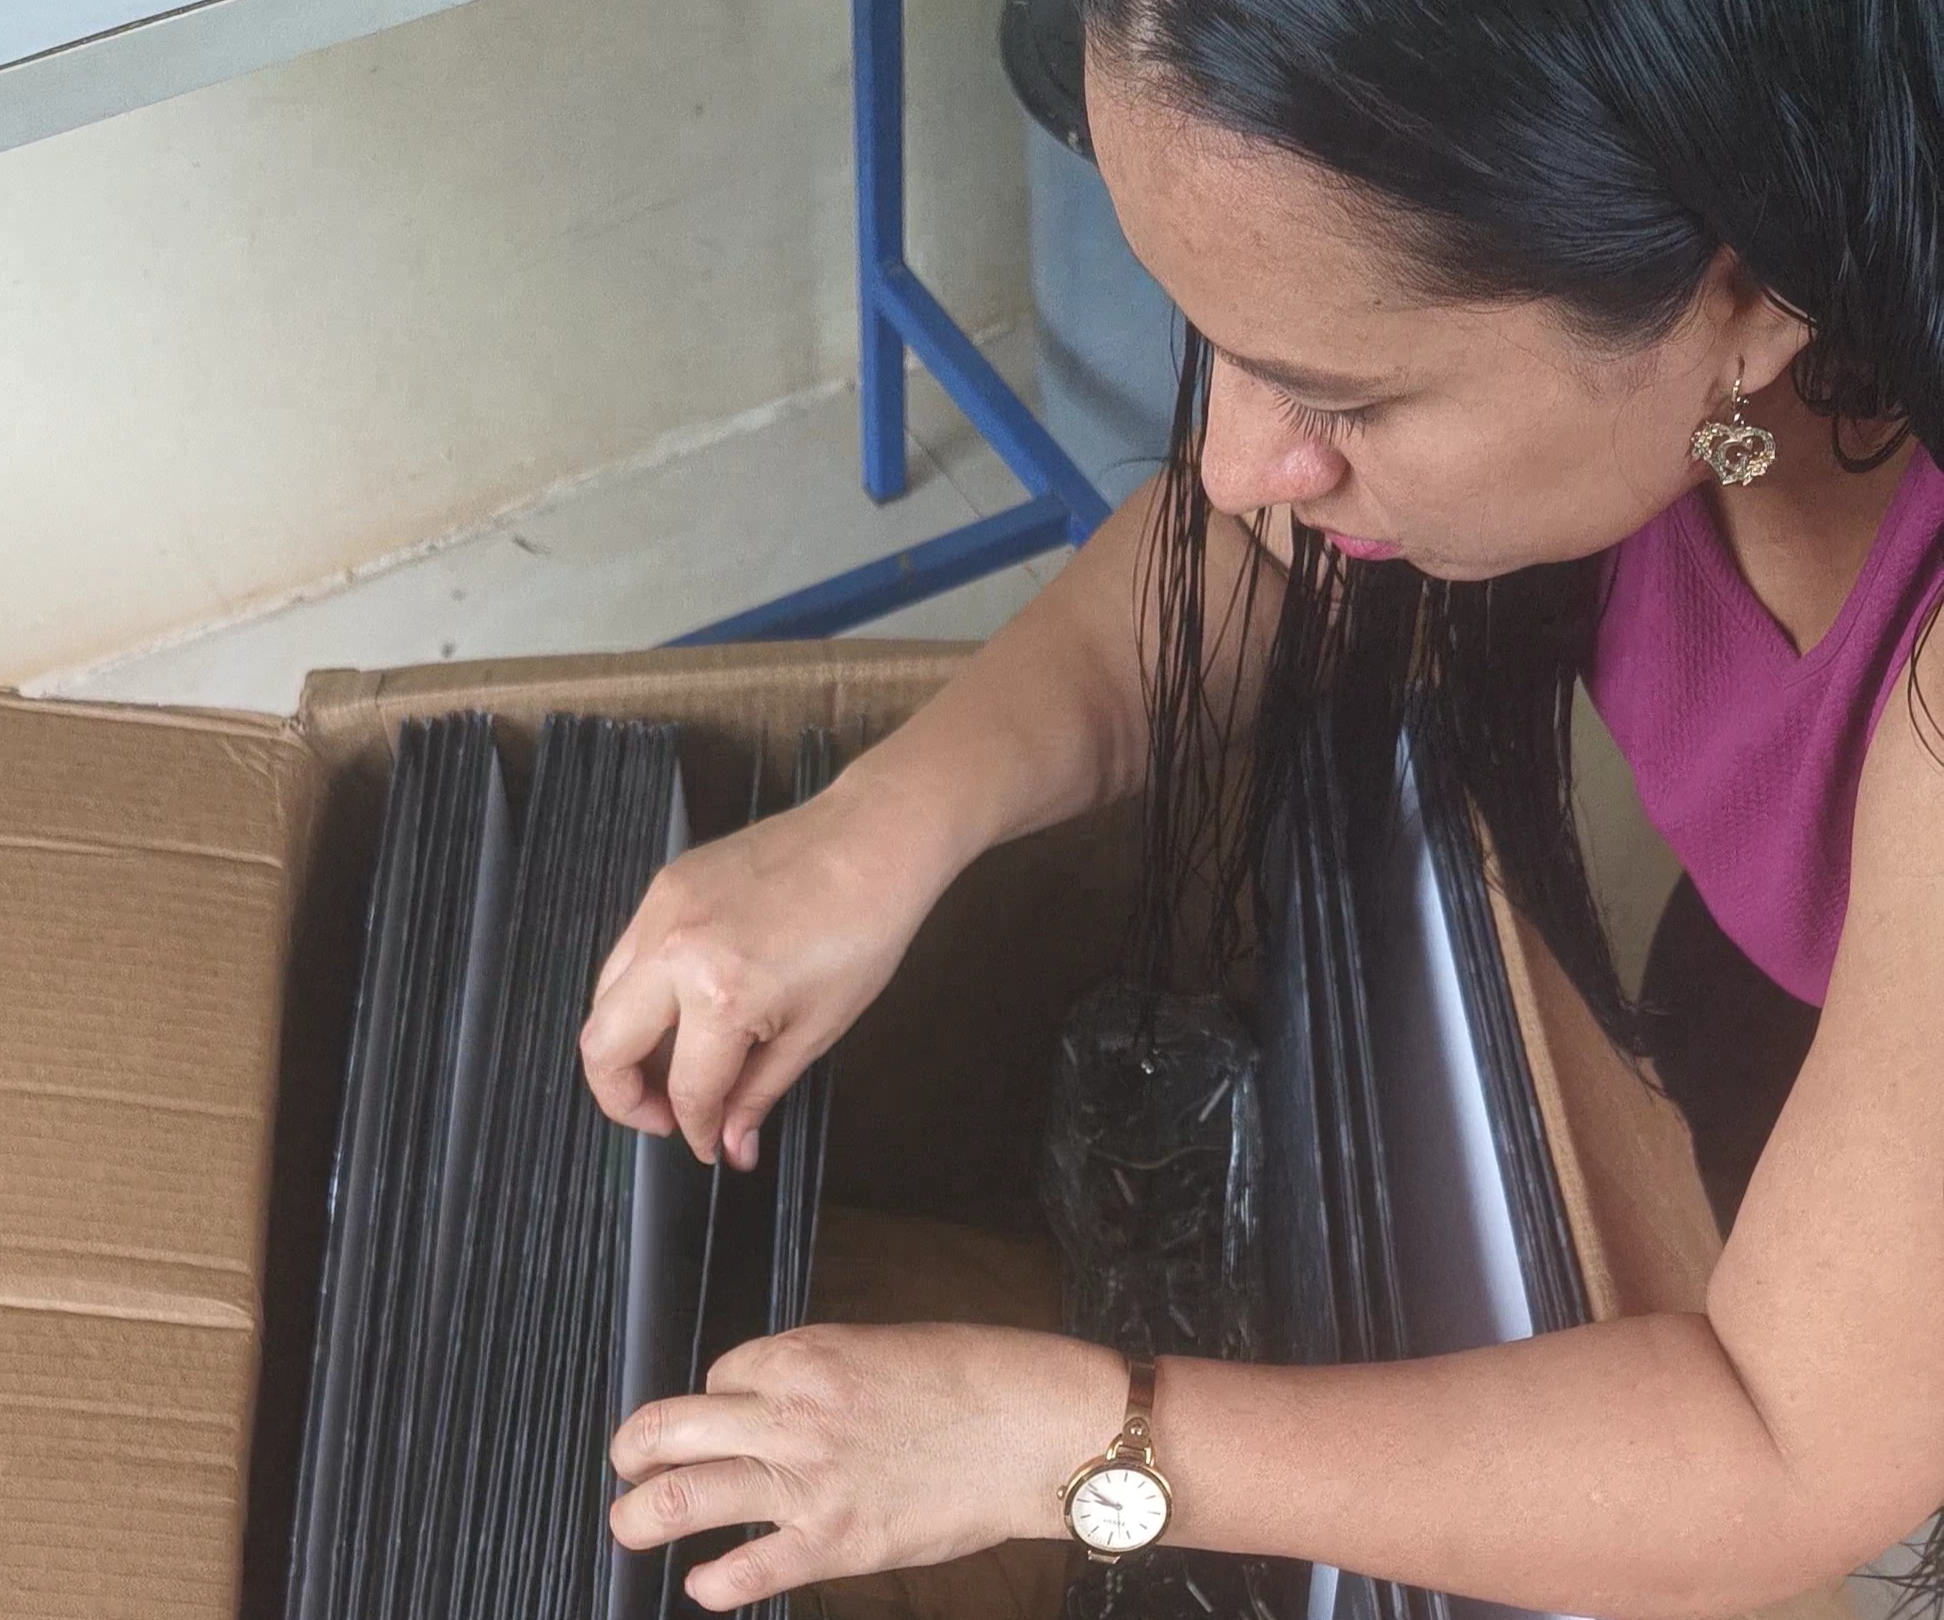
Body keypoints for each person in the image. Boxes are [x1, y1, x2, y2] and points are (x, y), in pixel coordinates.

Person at [577, 1, 1944, 1613]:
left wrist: (1072, 1444)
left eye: (1340, 401)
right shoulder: (1705, 321)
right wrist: (870, 836)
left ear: (1751, 298)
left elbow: (1785, 1442)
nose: (1228, 463)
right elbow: (1252, 552)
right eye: (1212, 339)